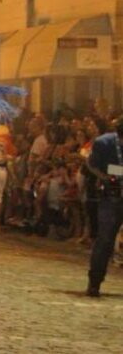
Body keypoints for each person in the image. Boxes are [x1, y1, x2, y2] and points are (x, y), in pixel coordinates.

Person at [85, 116, 123, 297]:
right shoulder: (104, 142)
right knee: (105, 239)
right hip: (112, 197)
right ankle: (95, 281)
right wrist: (105, 177)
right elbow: (91, 164)